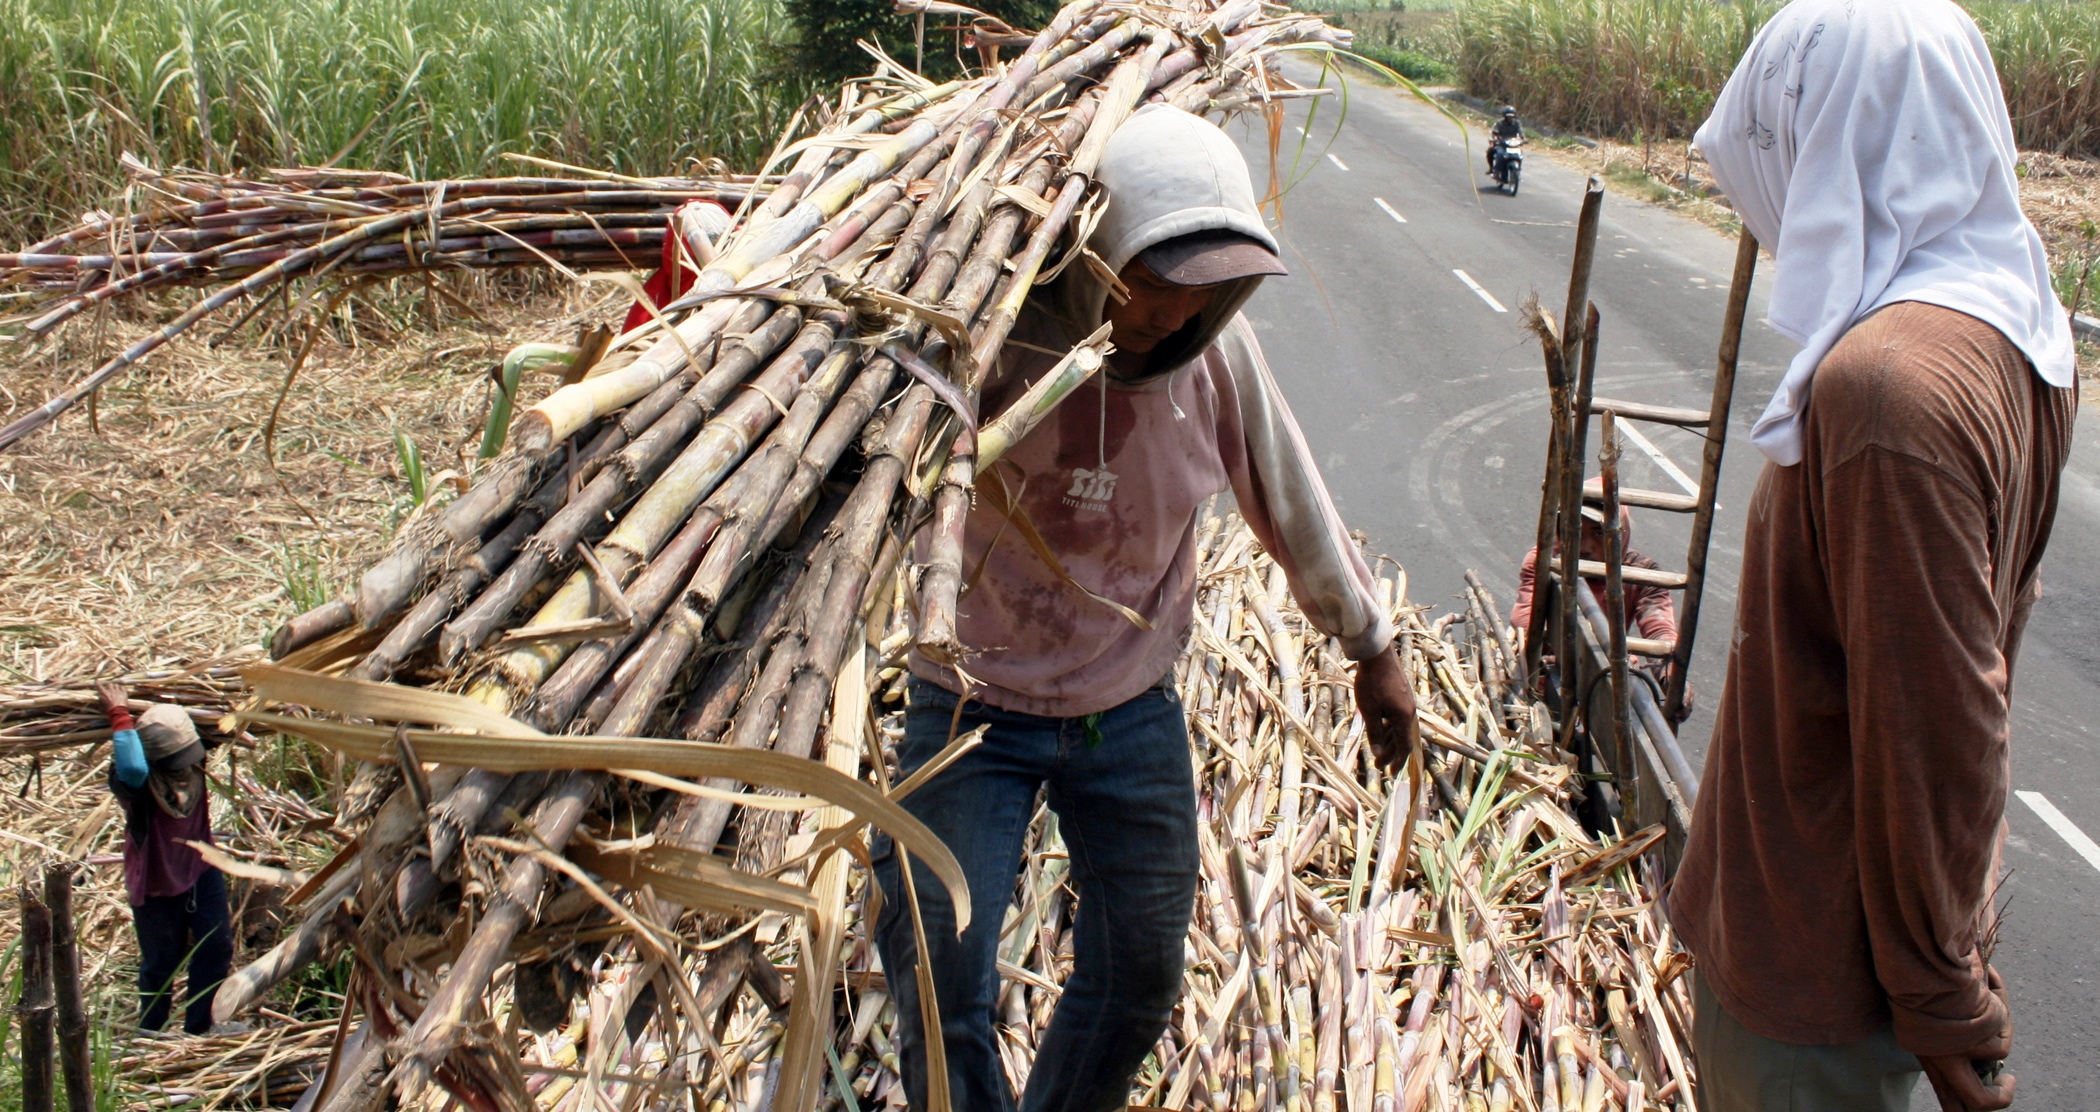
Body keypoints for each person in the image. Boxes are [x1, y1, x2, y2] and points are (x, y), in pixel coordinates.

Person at [872, 104, 1417, 1112]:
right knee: (938, 978)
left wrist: (1371, 645)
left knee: (1139, 974)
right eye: (1146, 286)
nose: (1167, 316)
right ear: (1095, 253)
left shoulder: (1216, 358)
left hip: (1126, 707)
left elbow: (1289, 492)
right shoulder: (987, 338)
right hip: (967, 706)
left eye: (1195, 295)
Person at [1669, 1, 2078, 1109]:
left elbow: (1935, 713)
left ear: (1832, 137)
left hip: (1815, 974)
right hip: (1852, 954)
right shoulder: (2015, 318)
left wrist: (1944, 996)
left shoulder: (1887, 390)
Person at [99, 683, 235, 1036]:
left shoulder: (194, 759)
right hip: (158, 884)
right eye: (178, 760)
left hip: (201, 871)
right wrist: (119, 712)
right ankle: (151, 1034)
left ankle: (200, 1028)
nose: (188, 765)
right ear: (157, 760)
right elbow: (131, 764)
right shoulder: (137, 785)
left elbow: (225, 726)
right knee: (161, 965)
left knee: (216, 947)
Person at [1508, 485, 1682, 699]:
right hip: (1543, 674)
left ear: (1621, 535)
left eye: (1599, 533)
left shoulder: (1642, 574)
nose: (1585, 547)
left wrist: (1670, 676)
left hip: (1608, 671)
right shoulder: (1546, 560)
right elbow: (1525, 623)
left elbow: (1659, 631)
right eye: (1576, 530)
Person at [1489, 106, 1522, 174]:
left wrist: (1523, 138)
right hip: (1501, 143)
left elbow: (1521, 132)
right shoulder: (1499, 123)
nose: (1510, 118)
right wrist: (1495, 139)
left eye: (1511, 116)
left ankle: (1518, 170)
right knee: (1493, 152)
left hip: (1513, 144)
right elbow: (1494, 132)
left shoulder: (1517, 123)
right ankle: (1493, 169)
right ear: (1504, 116)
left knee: (1520, 155)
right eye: (1508, 116)